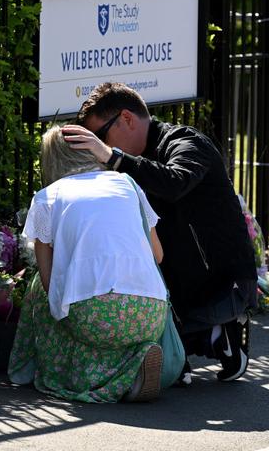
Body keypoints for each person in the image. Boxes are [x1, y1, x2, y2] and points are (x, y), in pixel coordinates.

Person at [61, 81, 258, 383]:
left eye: (100, 136)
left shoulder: (187, 142)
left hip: (219, 286)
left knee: (150, 338)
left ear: (126, 118)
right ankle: (190, 343)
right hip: (175, 283)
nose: (97, 147)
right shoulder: (123, 165)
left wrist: (111, 156)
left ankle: (217, 334)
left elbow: (175, 182)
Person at [8, 125, 168, 403]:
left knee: (43, 292)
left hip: (95, 316)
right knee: (104, 315)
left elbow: (49, 284)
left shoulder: (48, 197)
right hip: (151, 312)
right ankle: (135, 362)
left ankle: (75, 377)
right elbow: (158, 255)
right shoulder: (128, 184)